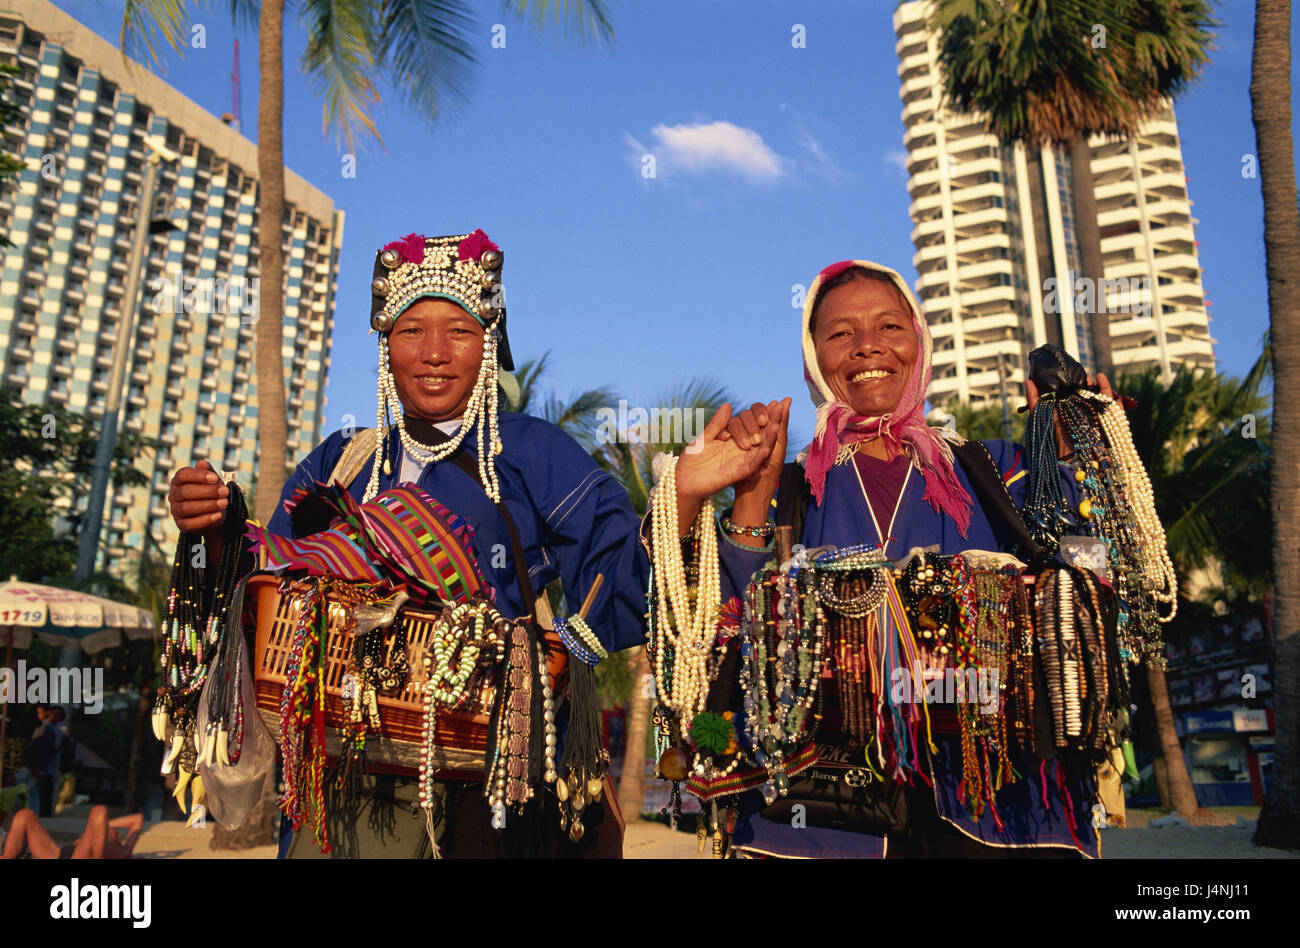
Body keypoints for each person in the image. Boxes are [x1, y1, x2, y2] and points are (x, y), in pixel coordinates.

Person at [167, 229, 648, 858]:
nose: (435, 353)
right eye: (411, 330)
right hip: (338, 770)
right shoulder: (343, 463)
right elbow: (264, 588)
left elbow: (624, 562)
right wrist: (215, 529)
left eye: (461, 331)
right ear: (385, 346)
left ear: (490, 344)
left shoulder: (529, 451)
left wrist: (563, 649)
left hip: (480, 774)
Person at [672, 258, 1117, 858]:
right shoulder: (788, 488)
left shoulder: (1000, 471)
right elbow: (728, 631)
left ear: (919, 341)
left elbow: (1094, 575)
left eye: (888, 327)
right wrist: (748, 498)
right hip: (822, 813)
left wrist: (1079, 449)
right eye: (839, 334)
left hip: (1002, 802)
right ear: (814, 359)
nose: (866, 347)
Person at [0, 806, 142, 859]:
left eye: (115, 832)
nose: (113, 831)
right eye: (109, 829)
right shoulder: (95, 832)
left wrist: (103, 825)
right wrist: (103, 825)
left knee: (99, 811)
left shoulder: (124, 849)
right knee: (25, 816)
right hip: (58, 854)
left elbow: (137, 820)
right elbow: (137, 819)